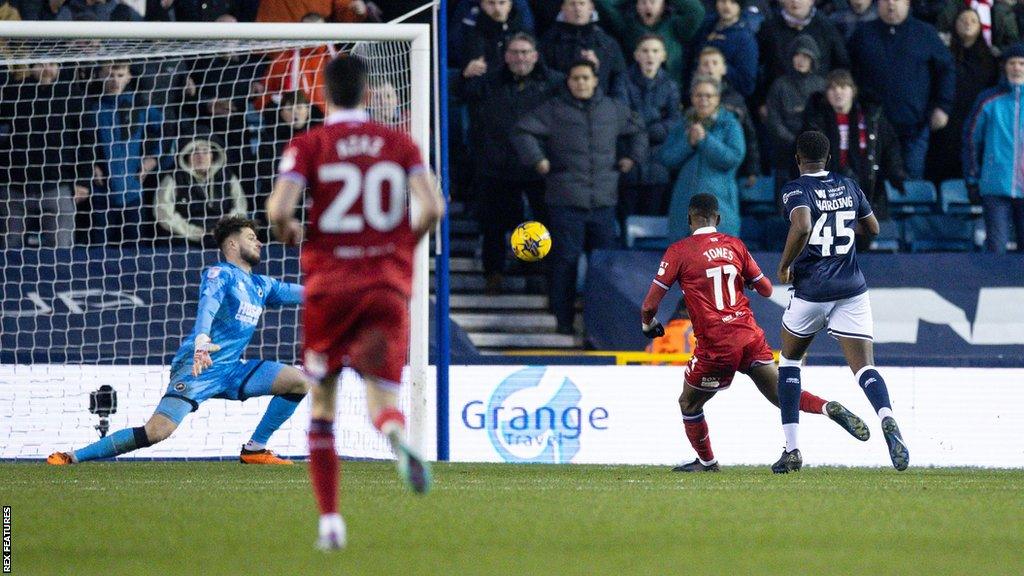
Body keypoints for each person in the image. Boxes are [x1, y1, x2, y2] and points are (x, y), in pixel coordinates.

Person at [266, 56, 446, 550]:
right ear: (368, 93)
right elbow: (432, 207)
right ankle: (397, 434)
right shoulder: (400, 143)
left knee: (321, 406)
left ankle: (330, 523)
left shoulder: (310, 143)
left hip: (330, 287)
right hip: (386, 286)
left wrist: (293, 233)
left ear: (324, 94)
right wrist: (397, 245)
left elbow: (280, 210)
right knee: (382, 401)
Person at [47, 217, 311, 466]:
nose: (259, 242)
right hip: (198, 365)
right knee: (156, 432)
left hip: (231, 369)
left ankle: (254, 450)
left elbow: (307, 293)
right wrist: (201, 339)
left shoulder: (261, 285)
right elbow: (208, 305)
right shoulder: (220, 274)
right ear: (232, 244)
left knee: (298, 382)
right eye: (251, 237)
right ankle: (72, 456)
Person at [640, 193, 869, 472]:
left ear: (689, 220)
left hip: (716, 344)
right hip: (748, 335)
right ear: (719, 219)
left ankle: (708, 463)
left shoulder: (679, 251)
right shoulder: (735, 245)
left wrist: (648, 325)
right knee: (780, 396)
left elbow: (649, 305)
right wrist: (744, 281)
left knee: (688, 403)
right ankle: (827, 406)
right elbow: (767, 289)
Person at [774, 131, 910, 474]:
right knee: (865, 367)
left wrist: (785, 264)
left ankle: (792, 450)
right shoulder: (848, 185)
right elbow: (874, 228)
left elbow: (802, 224)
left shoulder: (795, 188)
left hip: (812, 291)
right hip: (851, 287)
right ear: (829, 158)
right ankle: (887, 417)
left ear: (798, 158)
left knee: (789, 362)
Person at [512, 59, 647, 334]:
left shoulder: (612, 109)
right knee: (564, 262)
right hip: (565, 200)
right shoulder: (554, 109)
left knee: (603, 265)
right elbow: (521, 129)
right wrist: (537, 159)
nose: (581, 83)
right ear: (568, 81)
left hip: (604, 201)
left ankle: (601, 324)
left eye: (586, 78)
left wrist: (633, 157)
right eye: (576, 78)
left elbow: (639, 130)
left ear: (595, 80)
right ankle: (562, 322)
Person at [457, 33, 562, 294]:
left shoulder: (555, 83)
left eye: (526, 52)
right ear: (505, 56)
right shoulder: (489, 81)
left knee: (544, 224)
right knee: (493, 226)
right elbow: (459, 94)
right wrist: (463, 76)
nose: (520, 58)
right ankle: (493, 275)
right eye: (515, 52)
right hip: (497, 168)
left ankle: (540, 275)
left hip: (538, 169)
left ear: (536, 56)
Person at [848, 0, 955, 179]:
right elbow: (847, 70)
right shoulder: (863, 33)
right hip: (872, 126)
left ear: (907, 4)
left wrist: (943, 106)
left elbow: (946, 70)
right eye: (885, 1)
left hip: (915, 127)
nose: (891, 5)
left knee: (911, 186)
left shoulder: (925, 33)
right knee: (873, 185)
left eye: (897, 0)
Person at [801, 69, 907, 235]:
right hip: (828, 195)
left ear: (853, 91)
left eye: (843, 87)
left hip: (868, 191)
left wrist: (896, 174)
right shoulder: (816, 121)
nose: (838, 92)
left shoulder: (872, 118)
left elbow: (890, 147)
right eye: (833, 88)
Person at [658, 75, 744, 238]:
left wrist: (705, 140)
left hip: (721, 207)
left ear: (717, 98)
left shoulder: (730, 124)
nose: (703, 100)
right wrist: (688, 143)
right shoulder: (682, 124)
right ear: (692, 98)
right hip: (684, 207)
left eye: (709, 96)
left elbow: (733, 158)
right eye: (698, 95)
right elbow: (666, 158)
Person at [963, 42, 1024, 253]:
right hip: (995, 187)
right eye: (1012, 63)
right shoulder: (988, 100)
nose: (1017, 68)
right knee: (996, 250)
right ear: (1005, 67)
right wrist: (972, 178)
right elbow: (971, 139)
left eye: (1022, 64)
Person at [926, 8, 999, 184]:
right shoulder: (942, 54)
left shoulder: (990, 60)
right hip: (946, 121)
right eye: (963, 20)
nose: (967, 23)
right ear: (954, 25)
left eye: (973, 20)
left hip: (975, 120)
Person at [617, 33, 682, 224]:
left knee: (654, 225)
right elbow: (621, 118)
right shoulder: (622, 81)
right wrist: (655, 116)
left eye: (655, 51)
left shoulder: (670, 86)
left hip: (658, 168)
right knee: (627, 225)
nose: (650, 56)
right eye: (645, 51)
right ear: (636, 55)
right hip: (629, 166)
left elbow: (675, 123)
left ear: (663, 56)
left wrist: (642, 129)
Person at [155, 133, 248, 246]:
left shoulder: (227, 176)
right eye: (195, 152)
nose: (201, 157)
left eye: (205, 151)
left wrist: (225, 228)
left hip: (223, 236)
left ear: (213, 155)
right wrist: (197, 233)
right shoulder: (174, 178)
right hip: (184, 241)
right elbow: (163, 214)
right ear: (187, 155)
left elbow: (240, 207)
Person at [593, 0, 706, 86]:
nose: (647, 6)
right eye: (642, 2)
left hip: (670, 92)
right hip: (634, 92)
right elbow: (603, 4)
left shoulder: (675, 26)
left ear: (663, 5)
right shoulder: (627, 26)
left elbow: (696, 10)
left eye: (653, 1)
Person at [766, 35, 827, 191]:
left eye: (806, 56)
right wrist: (793, 142)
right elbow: (773, 119)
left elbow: (825, 120)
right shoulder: (779, 85)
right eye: (797, 55)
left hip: (816, 155)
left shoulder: (821, 86)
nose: (801, 60)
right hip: (785, 154)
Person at [694, 47, 761, 187]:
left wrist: (752, 169)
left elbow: (749, 135)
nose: (710, 68)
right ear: (699, 69)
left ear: (724, 69)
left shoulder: (736, 99)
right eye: (705, 64)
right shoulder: (691, 99)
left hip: (727, 168)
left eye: (714, 63)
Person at [541, 0, 629, 97]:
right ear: (563, 8)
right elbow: (544, 77)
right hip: (559, 106)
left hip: (601, 106)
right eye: (572, 4)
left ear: (591, 8)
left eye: (581, 3)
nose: (577, 8)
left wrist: (597, 70)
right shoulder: (548, 42)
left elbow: (619, 80)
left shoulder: (607, 43)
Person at [692, 0, 759, 98]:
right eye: (723, 1)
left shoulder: (745, 39)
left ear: (740, 6)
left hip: (727, 99)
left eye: (733, 2)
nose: (727, 6)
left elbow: (747, 85)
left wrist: (721, 67)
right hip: (696, 93)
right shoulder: (707, 26)